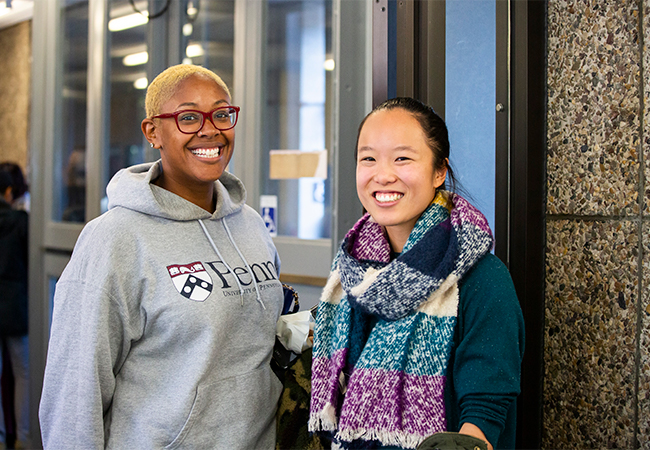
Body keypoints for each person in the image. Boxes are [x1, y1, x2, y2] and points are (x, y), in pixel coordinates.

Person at [39, 64, 285, 449]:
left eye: (222, 113)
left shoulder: (249, 225)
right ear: (152, 131)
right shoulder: (114, 239)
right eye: (188, 118)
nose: (210, 129)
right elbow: (74, 395)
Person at [309, 97, 525, 450]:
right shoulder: (351, 271)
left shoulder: (482, 278)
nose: (383, 175)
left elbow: (485, 409)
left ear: (439, 171)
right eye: (368, 159)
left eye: (402, 158)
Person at [0, 166, 29, 450]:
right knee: (23, 371)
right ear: (9, 192)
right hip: (15, 306)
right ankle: (22, 437)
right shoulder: (20, 221)